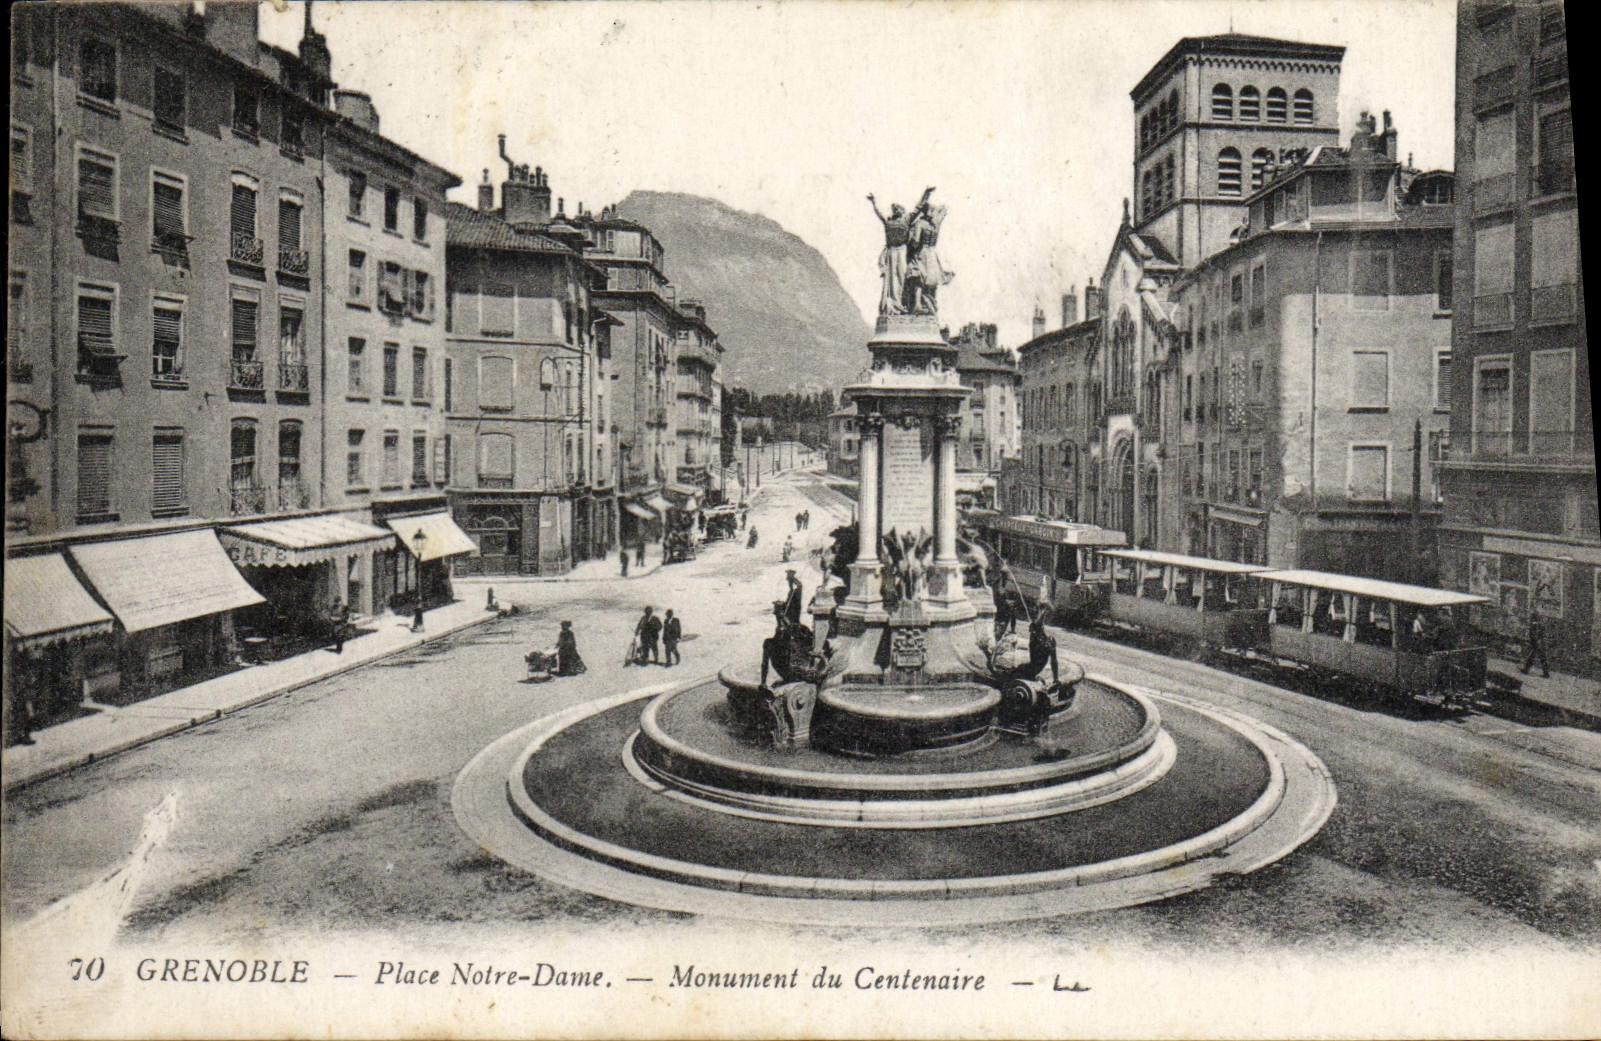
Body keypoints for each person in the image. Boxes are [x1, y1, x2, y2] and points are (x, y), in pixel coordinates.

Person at [1522, 608, 1550, 678]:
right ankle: (1546, 673)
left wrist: (1535, 641)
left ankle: (1526, 669)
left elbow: (1535, 634)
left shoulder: (1535, 624)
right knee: (1540, 657)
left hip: (1538, 643)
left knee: (1533, 656)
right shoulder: (1539, 623)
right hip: (1540, 642)